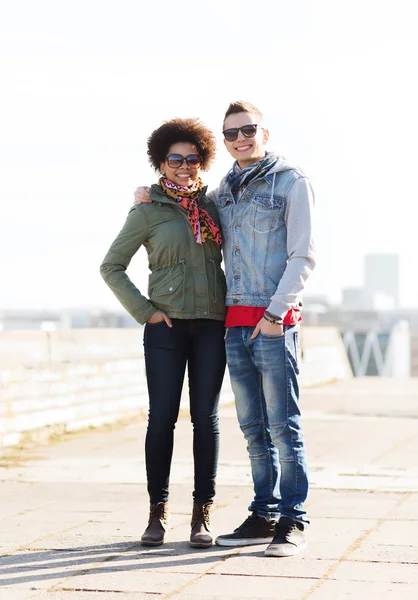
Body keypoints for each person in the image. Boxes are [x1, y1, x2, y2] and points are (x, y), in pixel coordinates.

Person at [134, 101, 316, 557]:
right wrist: (147, 193)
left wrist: (275, 315)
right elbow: (183, 201)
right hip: (231, 323)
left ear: (265, 133)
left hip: (273, 322)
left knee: (283, 427)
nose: (241, 138)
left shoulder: (292, 182)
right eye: (231, 133)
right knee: (252, 427)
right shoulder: (225, 192)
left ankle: (293, 520)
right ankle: (264, 513)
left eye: (248, 130)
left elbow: (304, 256)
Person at [100, 118, 227, 549]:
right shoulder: (146, 210)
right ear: (161, 162)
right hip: (166, 327)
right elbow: (111, 266)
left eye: (193, 159)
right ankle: (157, 513)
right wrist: (146, 312)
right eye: (176, 159)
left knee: (206, 421)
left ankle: (202, 515)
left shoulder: (214, 205)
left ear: (202, 161)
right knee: (162, 419)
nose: (185, 166)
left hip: (211, 323)